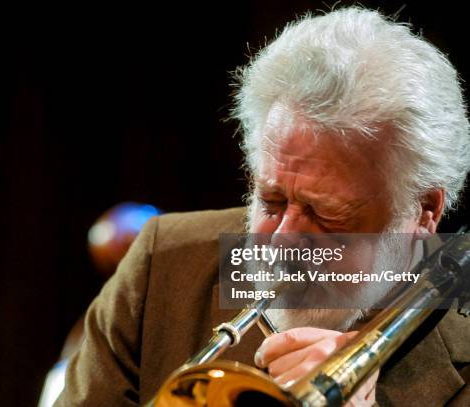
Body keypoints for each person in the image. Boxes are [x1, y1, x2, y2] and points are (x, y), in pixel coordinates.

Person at [57, 7, 470, 406]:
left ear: (423, 211)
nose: (282, 240)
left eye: (327, 214)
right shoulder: (162, 265)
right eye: (271, 201)